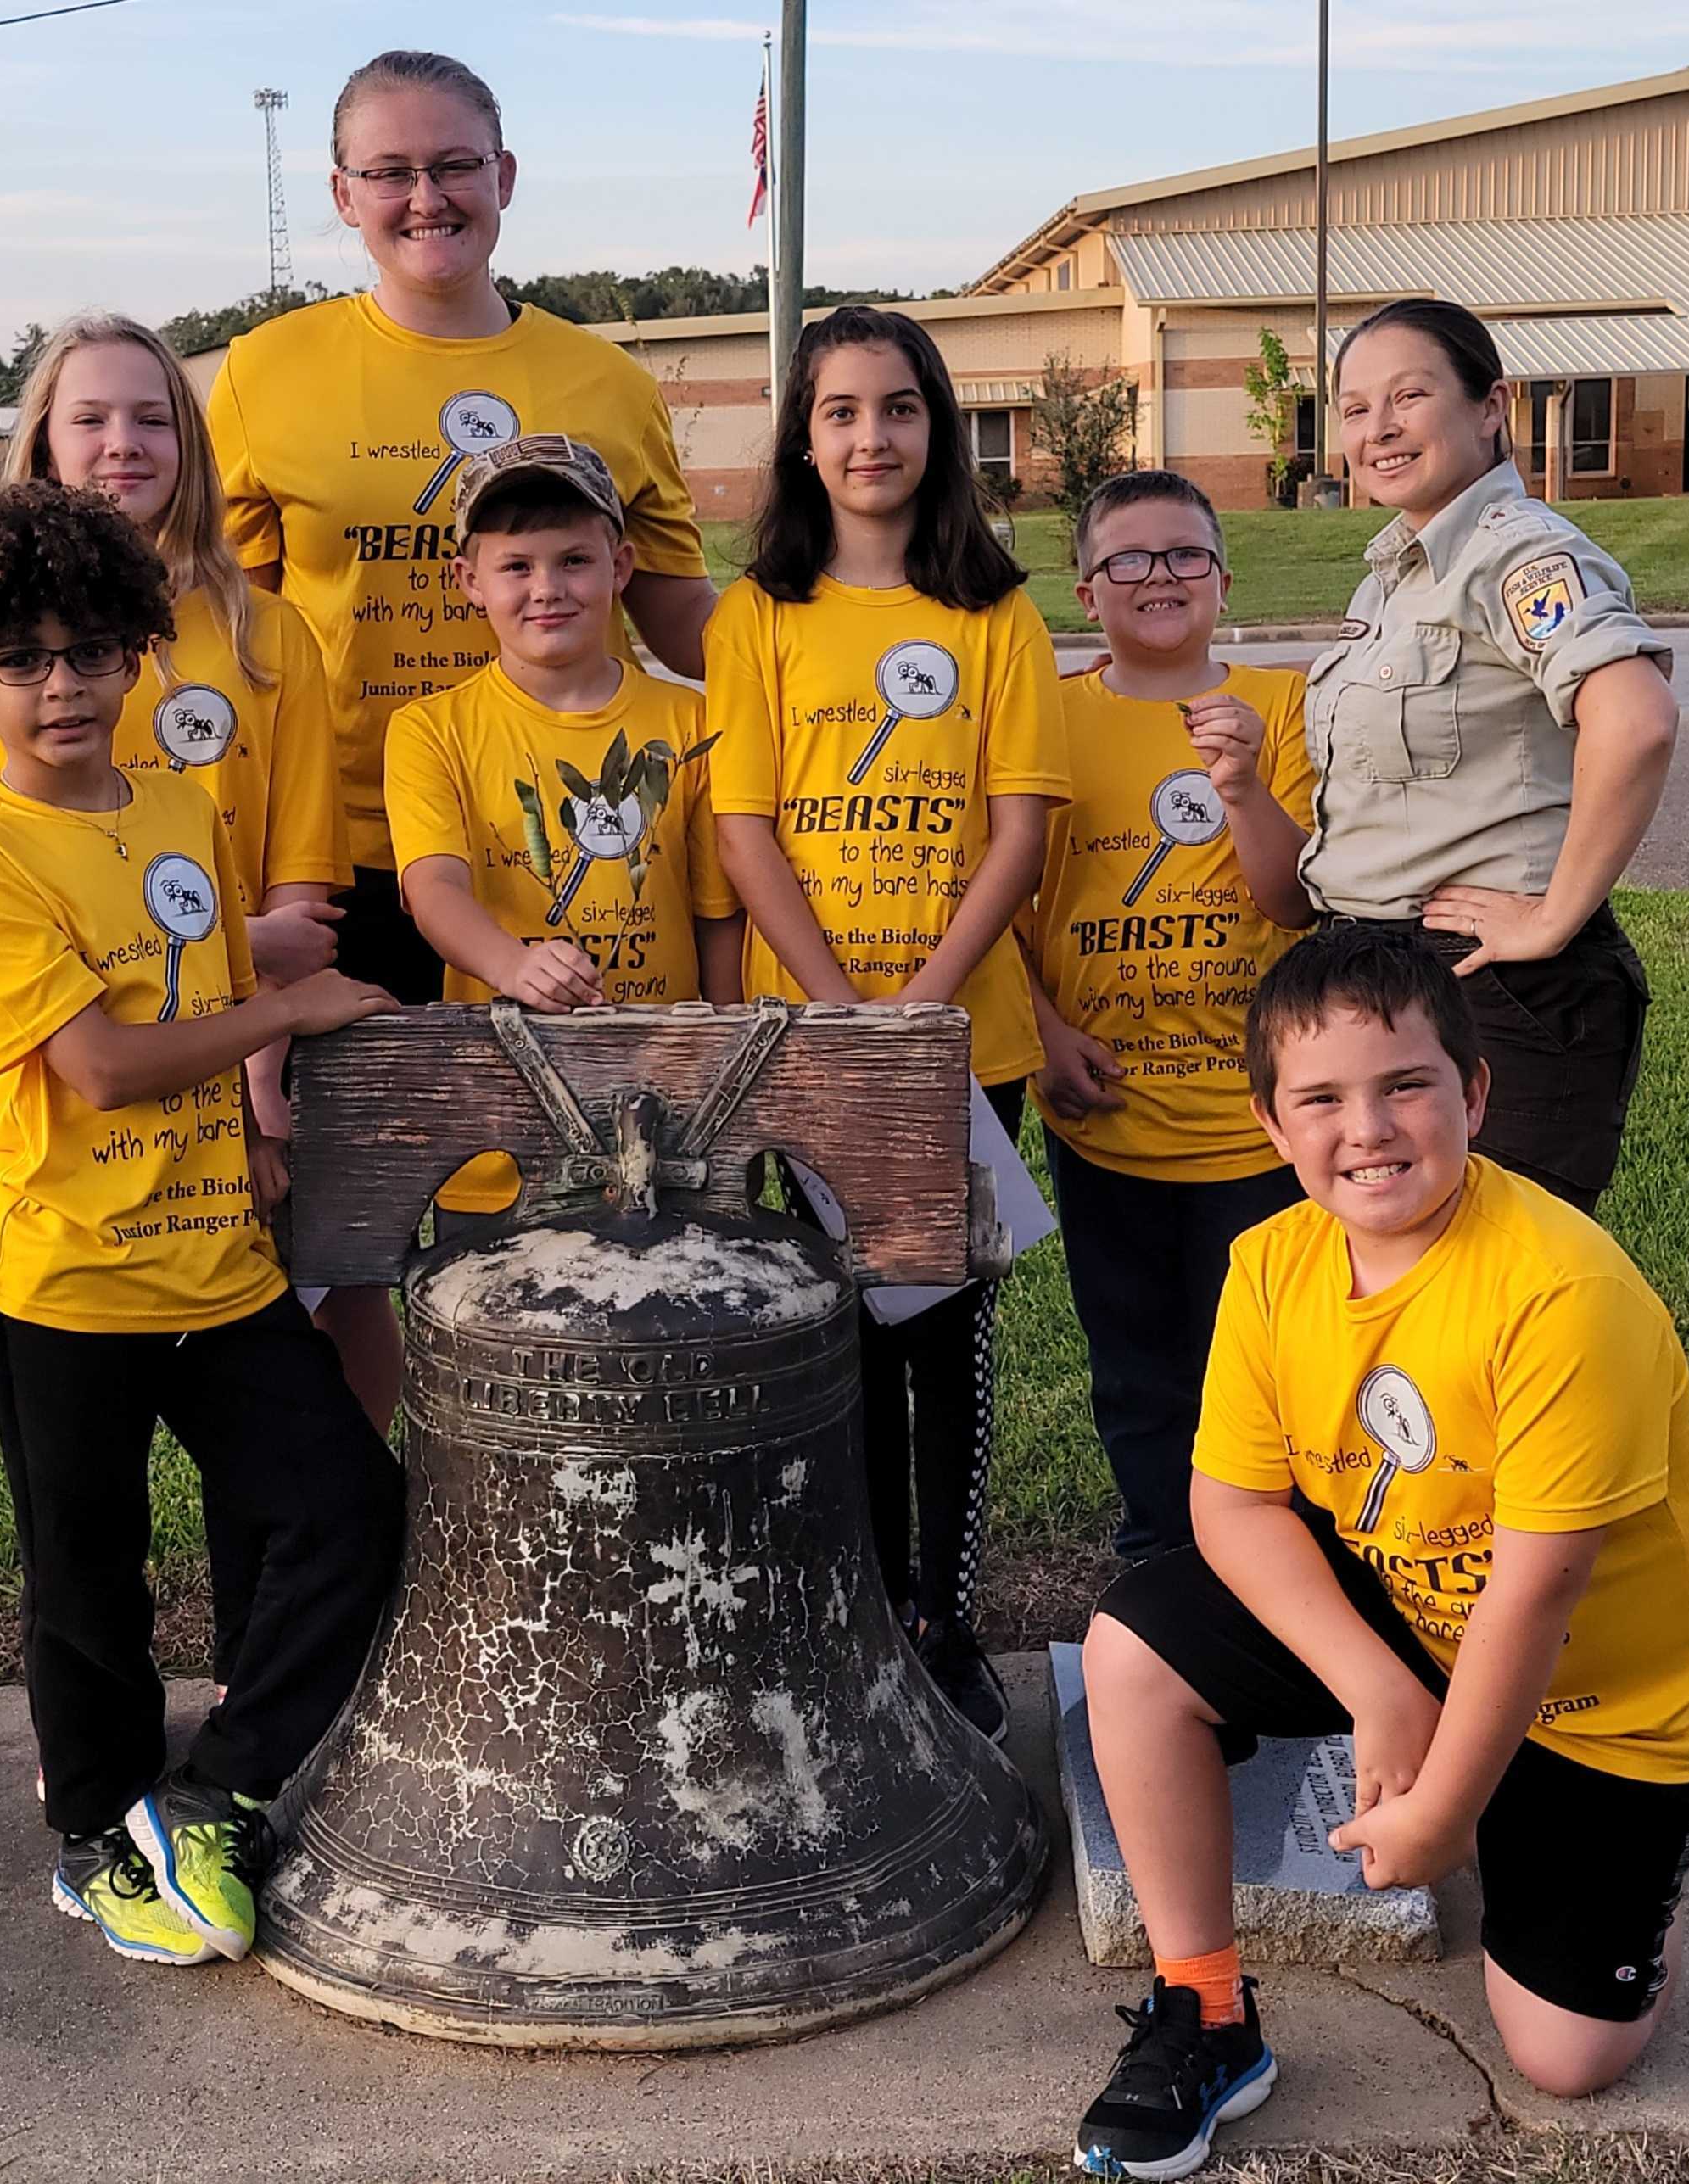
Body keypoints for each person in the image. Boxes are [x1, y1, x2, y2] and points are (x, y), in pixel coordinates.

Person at [1071, 928, 1689, 2180]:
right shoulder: (1272, 1263)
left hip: (1600, 1692)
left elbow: (1535, 1590)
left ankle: (1623, 1869)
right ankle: (1204, 2009)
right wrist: (1379, 1689)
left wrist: (1442, 1808)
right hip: (1417, 1605)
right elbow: (1231, 1505)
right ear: (1271, 1124)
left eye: (1404, 1085)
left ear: (1473, 1094)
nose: (1366, 1128)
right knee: (1131, 1648)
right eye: (1320, 1097)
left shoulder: (1559, 1289)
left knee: (1564, 2054)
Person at [0, 480, 404, 1969]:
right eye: (21, 658)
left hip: (214, 1261)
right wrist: (294, 1006)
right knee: (87, 1578)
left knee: (351, 1510)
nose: (62, 684)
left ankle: (212, 1794)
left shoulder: (180, 804)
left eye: (91, 649)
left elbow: (198, 980)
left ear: (137, 649)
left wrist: (258, 1123)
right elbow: (105, 1067)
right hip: (61, 1276)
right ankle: (94, 1838)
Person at [209, 46, 713, 1411]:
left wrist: (816, 699)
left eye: (452, 166)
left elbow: (676, 605)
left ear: (505, 175)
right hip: (344, 867)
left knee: (576, 1213)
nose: (424, 197)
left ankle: (538, 1465)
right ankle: (365, 1499)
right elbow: (224, 624)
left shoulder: (601, 379)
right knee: (337, 1229)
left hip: (560, 869)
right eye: (389, 172)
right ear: (341, 192)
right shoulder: (265, 373)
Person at [0, 315, 361, 1705]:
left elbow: (294, 896)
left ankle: (258, 1705)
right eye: (89, 418)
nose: (121, 443)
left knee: (283, 1465)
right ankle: (95, 1761)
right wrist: (241, 956)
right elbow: (22, 881)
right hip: (94, 1124)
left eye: (151, 417)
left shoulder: (266, 632)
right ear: (44, 440)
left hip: (239, 1085)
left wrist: (263, 1081)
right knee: (84, 1526)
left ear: (191, 444)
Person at [707, 305, 1070, 1745]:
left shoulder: (996, 614)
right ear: (804, 438)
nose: (873, 436)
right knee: (840, 1335)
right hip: (811, 1048)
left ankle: (943, 1621)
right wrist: (839, 1014)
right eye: (843, 411)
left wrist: (917, 1014)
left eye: (900, 408)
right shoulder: (758, 615)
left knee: (947, 1344)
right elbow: (745, 832)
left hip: (959, 1046)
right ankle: (854, 1616)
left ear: (938, 428)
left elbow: (1017, 833)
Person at [1303, 296, 1679, 1214]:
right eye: (1354, 408)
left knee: (1500, 1272)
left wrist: (1551, 917)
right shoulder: (1399, 574)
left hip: (1497, 989)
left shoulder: (1518, 555)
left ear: (1490, 406)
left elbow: (1635, 718)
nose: (1378, 429)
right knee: (1405, 1274)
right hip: (1384, 973)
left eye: (1409, 396)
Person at [1027, 470, 1314, 1561]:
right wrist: (1044, 1035)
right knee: (1138, 1370)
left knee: (1264, 1373)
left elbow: (1292, 900)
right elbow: (1001, 905)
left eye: (1185, 554)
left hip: (1257, 1119)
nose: (1160, 576)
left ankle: (1275, 1578)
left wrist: (1242, 785)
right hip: (1107, 1114)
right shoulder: (1051, 717)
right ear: (1086, 591)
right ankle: (1161, 1561)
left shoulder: (1282, 707)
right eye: (1128, 560)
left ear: (1224, 580)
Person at [386, 432, 741, 1229]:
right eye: (516, 566)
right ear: (469, 582)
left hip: (667, 1106)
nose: (546, 588)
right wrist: (511, 964)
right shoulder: (429, 730)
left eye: (574, 561)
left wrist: (723, 1058)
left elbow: (718, 914)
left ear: (620, 567)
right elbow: (432, 889)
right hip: (505, 1116)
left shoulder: (690, 721)